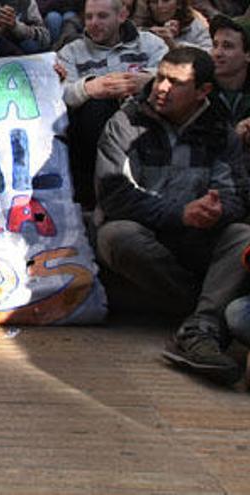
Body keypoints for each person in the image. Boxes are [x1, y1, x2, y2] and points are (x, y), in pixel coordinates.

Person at [94, 47, 250, 386]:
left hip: (198, 241)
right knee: (115, 236)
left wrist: (216, 210)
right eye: (160, 77)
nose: (161, 88)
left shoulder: (220, 132)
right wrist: (181, 213)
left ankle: (198, 328)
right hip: (147, 239)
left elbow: (237, 196)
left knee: (243, 236)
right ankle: (205, 320)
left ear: (203, 91)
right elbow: (115, 196)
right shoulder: (126, 123)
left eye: (175, 82)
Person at [56, 0, 168, 208]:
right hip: (92, 132)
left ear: (122, 15)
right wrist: (88, 88)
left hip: (144, 122)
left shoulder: (150, 43)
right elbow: (58, 95)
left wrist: (147, 81)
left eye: (102, 16)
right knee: (93, 107)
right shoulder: (71, 52)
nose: (94, 23)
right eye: (89, 17)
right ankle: (94, 199)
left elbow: (171, 74)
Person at [208, 15, 250, 144]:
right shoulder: (198, 88)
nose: (217, 53)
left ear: (248, 55)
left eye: (227, 46)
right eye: (215, 45)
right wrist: (233, 135)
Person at [146, 0, 212, 50]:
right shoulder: (143, 27)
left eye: (166, 0)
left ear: (179, 4)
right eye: (154, 1)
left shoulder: (196, 27)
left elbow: (209, 53)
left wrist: (175, 45)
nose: (159, 6)